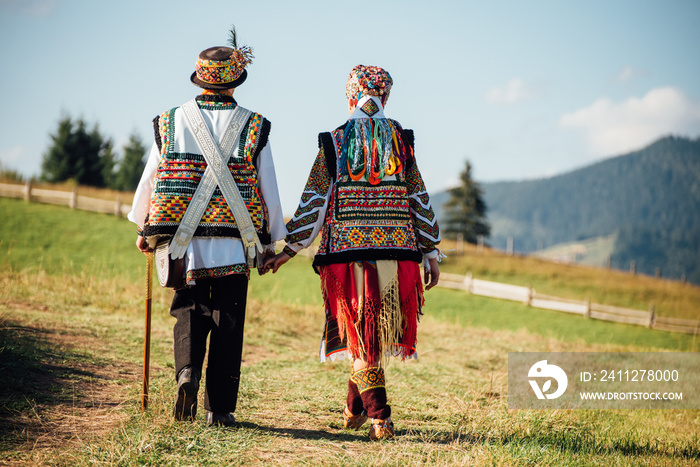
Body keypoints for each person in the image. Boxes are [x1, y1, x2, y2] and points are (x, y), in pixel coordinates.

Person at [265, 64, 441, 440]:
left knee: (362, 332)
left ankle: (380, 417)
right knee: (369, 332)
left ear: (350, 95)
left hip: (347, 255)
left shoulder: (335, 139)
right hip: (397, 251)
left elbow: (314, 199)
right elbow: (417, 197)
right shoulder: (401, 140)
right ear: (386, 95)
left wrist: (290, 248)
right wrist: (430, 251)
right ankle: (353, 409)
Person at [128, 27, 285, 427]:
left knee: (188, 310)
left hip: (184, 244)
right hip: (236, 243)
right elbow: (268, 186)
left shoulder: (170, 120)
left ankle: (186, 373)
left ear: (200, 79)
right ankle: (221, 409)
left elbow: (151, 179)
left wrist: (144, 227)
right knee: (228, 319)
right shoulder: (255, 126)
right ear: (236, 80)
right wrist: (274, 241)